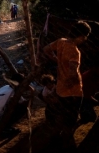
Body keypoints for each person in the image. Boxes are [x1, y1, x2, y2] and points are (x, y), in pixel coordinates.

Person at [43, 20, 91, 150]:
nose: (85, 39)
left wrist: (56, 60)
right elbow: (73, 73)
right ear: (81, 36)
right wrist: (74, 83)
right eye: (85, 37)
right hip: (73, 93)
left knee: (61, 117)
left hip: (60, 90)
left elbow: (46, 49)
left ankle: (55, 141)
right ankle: (67, 146)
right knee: (70, 122)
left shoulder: (60, 42)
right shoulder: (75, 52)